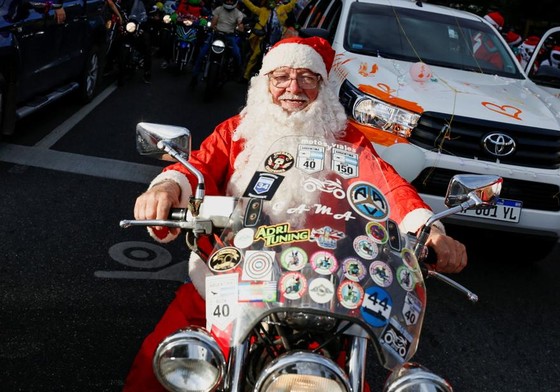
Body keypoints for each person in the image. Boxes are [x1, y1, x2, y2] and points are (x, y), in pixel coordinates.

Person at [123, 36, 468, 390]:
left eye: (307, 77)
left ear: (323, 85)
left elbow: (386, 189)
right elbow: (199, 166)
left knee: (347, 378)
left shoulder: (346, 140)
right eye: (281, 77)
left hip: (321, 283)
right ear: (264, 83)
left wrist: (430, 231)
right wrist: (166, 189)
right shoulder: (237, 131)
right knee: (163, 363)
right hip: (231, 276)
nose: (293, 88)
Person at [190, 0, 246, 85]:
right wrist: (214, 27)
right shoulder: (219, 9)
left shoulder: (238, 13)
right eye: (228, 0)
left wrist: (241, 27)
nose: (229, 2)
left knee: (237, 53)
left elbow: (240, 24)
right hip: (216, 35)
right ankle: (194, 76)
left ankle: (237, 73)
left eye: (231, 0)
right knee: (202, 53)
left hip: (229, 37)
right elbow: (214, 22)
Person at [240, 0, 297, 81]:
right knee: (254, 56)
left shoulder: (282, 8)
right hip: (263, 38)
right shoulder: (263, 10)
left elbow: (291, 5)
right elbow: (252, 7)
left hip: (277, 39)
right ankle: (246, 76)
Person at [117, 0, 156, 84]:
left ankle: (147, 72)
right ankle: (112, 65)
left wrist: (151, 12)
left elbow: (152, 7)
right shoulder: (129, 1)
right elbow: (123, 6)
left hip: (143, 24)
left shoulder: (147, 2)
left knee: (147, 44)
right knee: (119, 40)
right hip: (131, 24)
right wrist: (122, 10)